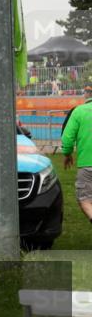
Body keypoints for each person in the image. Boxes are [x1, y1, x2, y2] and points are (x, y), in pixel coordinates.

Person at [62, 87, 92, 222]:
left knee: (85, 200)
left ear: (87, 95)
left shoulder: (79, 111)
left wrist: (67, 154)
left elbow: (67, 138)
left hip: (87, 164)